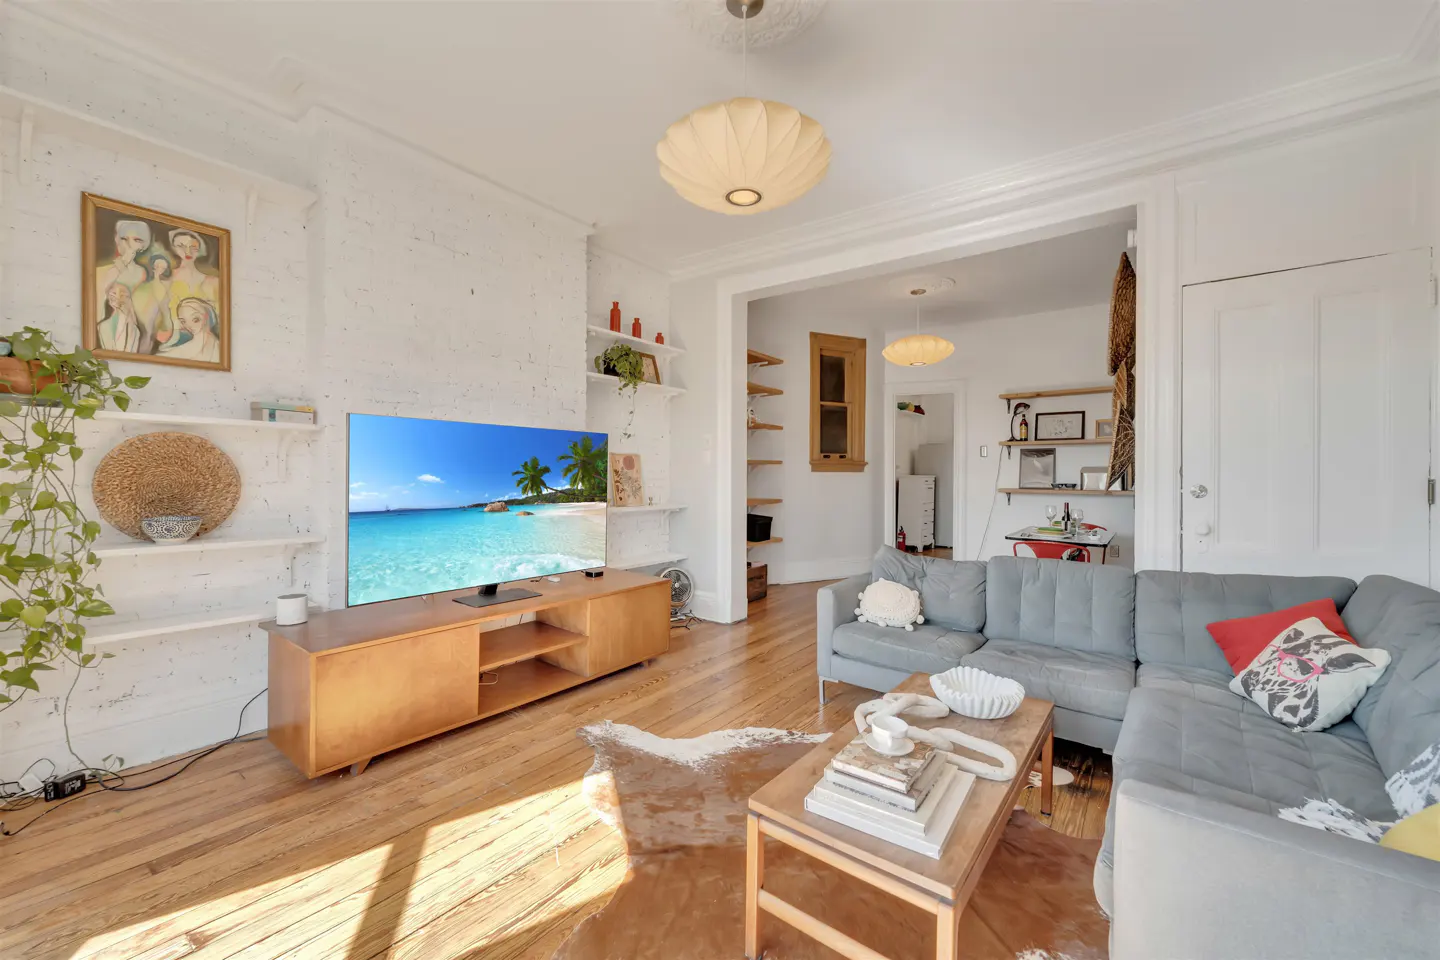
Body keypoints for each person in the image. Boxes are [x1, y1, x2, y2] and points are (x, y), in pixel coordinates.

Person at [94, 219, 150, 320]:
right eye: (124, 239)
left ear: (142, 245)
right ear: (117, 241)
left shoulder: (141, 272)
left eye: (136, 240)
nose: (129, 244)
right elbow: (100, 296)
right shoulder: (105, 271)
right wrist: (124, 261)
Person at [166, 229, 220, 326]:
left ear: (199, 249)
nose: (188, 252)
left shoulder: (214, 282)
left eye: (193, 247)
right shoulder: (167, 278)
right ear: (174, 249)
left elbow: (219, 316)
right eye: (181, 246)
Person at [131, 254, 173, 354]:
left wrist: (165, 317)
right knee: (146, 333)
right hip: (143, 311)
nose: (160, 269)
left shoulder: (163, 286)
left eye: (163, 267)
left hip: (157, 313)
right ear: (153, 266)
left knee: (151, 335)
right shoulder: (143, 284)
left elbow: (165, 303)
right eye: (158, 266)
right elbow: (137, 297)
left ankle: (146, 354)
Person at [158, 297, 221, 363]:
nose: (189, 326)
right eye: (183, 321)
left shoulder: (216, 345)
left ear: (206, 316)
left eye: (195, 320)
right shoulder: (185, 347)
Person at [97, 283, 142, 353]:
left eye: (123, 295)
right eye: (113, 294)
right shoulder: (101, 326)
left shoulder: (134, 329)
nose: (117, 298)